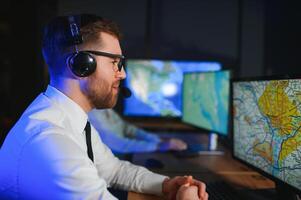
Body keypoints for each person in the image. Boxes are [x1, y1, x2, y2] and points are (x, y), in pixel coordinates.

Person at [0, 14, 208, 200]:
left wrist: (165, 185)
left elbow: (114, 170)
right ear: (81, 65)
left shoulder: (72, 120)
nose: (122, 73)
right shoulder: (49, 141)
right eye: (114, 63)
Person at [88, 109, 188, 154]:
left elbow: (126, 128)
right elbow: (122, 145)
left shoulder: (101, 105)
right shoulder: (92, 115)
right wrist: (159, 146)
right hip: (118, 159)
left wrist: (157, 140)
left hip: (125, 155)